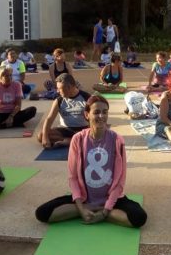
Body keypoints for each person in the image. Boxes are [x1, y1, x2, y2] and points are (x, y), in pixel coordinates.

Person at [35, 95, 147, 228]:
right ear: (87, 115)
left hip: (112, 198)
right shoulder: (78, 139)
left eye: (104, 112)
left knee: (139, 217)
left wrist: (106, 211)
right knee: (42, 213)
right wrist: (82, 208)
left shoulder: (117, 140)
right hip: (85, 198)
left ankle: (102, 212)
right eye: (96, 112)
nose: (101, 116)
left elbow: (120, 180)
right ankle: (90, 209)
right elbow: (73, 178)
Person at [38, 73, 91, 149]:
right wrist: (45, 138)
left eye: (59, 89)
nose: (57, 91)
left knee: (96, 135)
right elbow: (49, 119)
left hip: (83, 130)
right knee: (41, 135)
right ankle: (72, 140)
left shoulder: (87, 98)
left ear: (69, 87)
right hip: (65, 130)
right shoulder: (59, 100)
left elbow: (94, 119)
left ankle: (70, 141)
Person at [0, 65, 37, 130]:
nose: (9, 77)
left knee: (32, 110)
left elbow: (18, 105)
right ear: (0, 77)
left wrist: (11, 117)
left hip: (14, 114)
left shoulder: (17, 85)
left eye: (10, 75)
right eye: (6, 76)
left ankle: (1, 125)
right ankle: (12, 123)